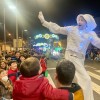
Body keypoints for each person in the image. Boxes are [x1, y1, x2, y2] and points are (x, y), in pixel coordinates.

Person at [38, 11, 100, 100]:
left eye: (82, 20)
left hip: (80, 59)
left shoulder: (90, 34)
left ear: (87, 23)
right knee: (84, 79)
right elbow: (58, 29)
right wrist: (44, 22)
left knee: (79, 80)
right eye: (79, 19)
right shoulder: (72, 29)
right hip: (70, 56)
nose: (79, 21)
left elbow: (98, 42)